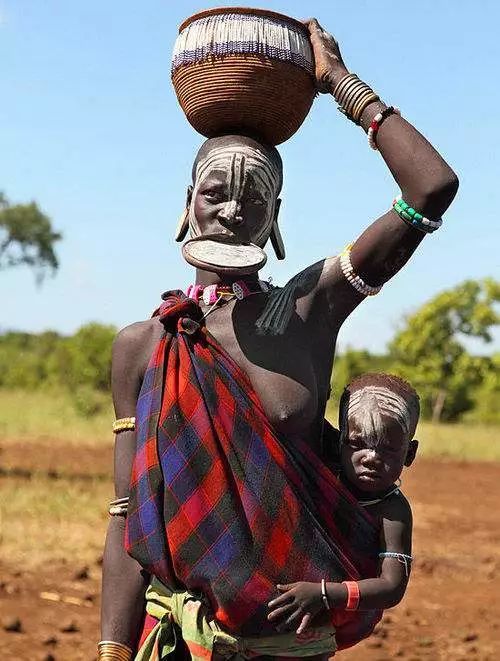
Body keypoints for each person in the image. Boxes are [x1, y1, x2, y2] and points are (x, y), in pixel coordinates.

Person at [99, 17, 458, 661]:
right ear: (188, 202)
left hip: (286, 645)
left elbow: (429, 189)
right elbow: (127, 518)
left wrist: (343, 87)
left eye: (255, 197)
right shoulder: (143, 346)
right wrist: (111, 651)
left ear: (277, 217)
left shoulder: (305, 310)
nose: (233, 210)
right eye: (216, 192)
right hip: (176, 641)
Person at [267, 373, 419, 636]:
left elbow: (392, 587)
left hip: (329, 619)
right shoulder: (323, 468)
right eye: (357, 443)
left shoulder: (393, 511)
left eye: (389, 449)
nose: (371, 457)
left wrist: (325, 594)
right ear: (339, 441)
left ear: (410, 454)